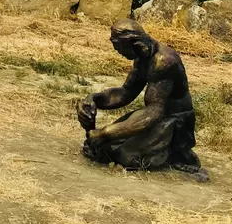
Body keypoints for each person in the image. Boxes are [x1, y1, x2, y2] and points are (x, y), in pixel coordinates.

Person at [77, 19, 205, 178]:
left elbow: (154, 112)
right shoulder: (142, 57)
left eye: (119, 47)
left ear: (134, 43)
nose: (118, 52)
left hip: (173, 119)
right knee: (102, 147)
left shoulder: (163, 62)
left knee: (124, 156)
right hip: (153, 114)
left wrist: (106, 132)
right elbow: (125, 92)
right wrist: (93, 99)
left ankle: (178, 153)